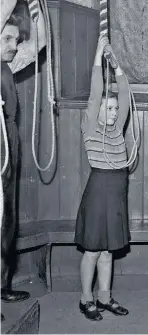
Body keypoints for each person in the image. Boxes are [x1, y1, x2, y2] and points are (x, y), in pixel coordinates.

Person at [74, 35, 131, 321]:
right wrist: (98, 53)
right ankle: (86, 299)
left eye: (114, 109)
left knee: (109, 251)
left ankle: (105, 297)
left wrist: (116, 65)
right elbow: (97, 93)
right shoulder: (91, 127)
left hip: (117, 191)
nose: (112, 113)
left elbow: (125, 94)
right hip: (99, 190)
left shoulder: (118, 128)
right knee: (93, 251)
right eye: (108, 109)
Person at [1, 0, 46, 319]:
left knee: (6, 225)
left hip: (8, 149)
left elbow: (38, 43)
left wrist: (35, 7)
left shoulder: (7, 66)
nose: (14, 46)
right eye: (6, 39)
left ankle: (1, 285)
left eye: (15, 40)